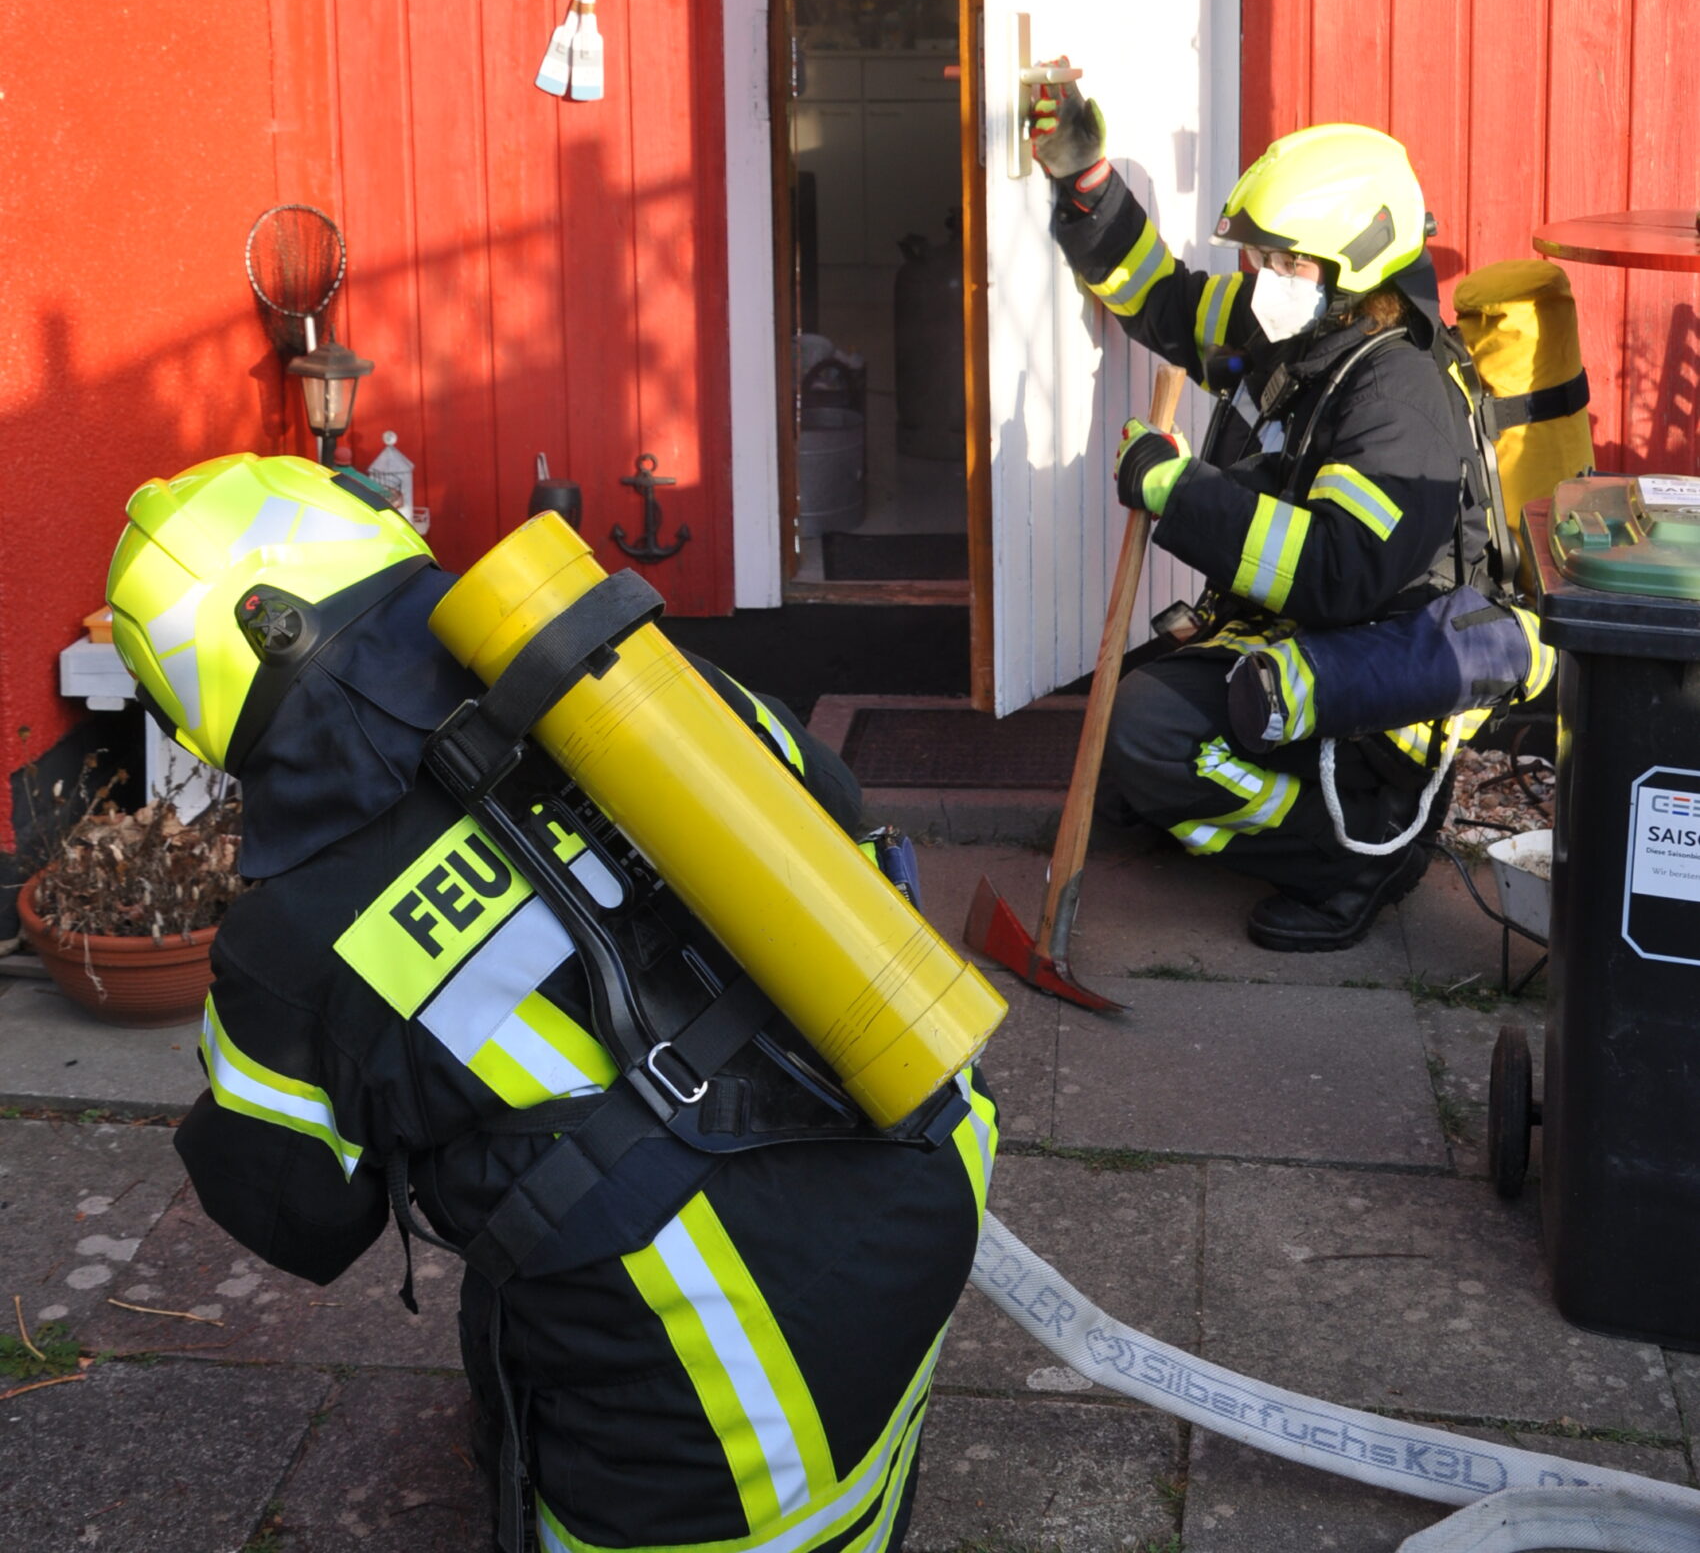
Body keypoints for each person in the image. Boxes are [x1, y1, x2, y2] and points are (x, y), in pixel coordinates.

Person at [107, 454, 996, 1553]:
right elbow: (842, 812)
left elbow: (300, 1219)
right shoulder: (633, 688)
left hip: (730, 1406)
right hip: (926, 1148)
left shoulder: (285, 947)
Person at [1029, 85, 1538, 951]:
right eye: (1259, 257)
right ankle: (1230, 803)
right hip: (1294, 638)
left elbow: (1339, 573)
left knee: (1146, 728)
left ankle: (1357, 857)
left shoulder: (1398, 397)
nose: (1263, 277)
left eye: (1284, 261)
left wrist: (1177, 491)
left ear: (1353, 265)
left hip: (1372, 695)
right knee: (1122, 742)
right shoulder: (1302, 325)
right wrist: (1087, 186)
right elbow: (1163, 301)